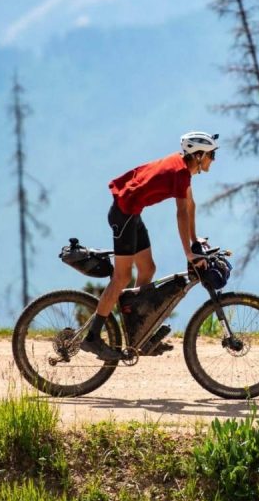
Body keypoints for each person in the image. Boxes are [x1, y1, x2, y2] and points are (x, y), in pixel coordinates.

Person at [81, 131, 219, 360]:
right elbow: (181, 214)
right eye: (212, 155)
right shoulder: (179, 173)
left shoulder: (184, 170)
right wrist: (187, 251)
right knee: (122, 277)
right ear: (199, 155)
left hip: (132, 214)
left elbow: (191, 205)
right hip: (123, 215)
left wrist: (195, 241)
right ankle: (93, 337)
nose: (213, 159)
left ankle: (138, 334)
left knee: (148, 269)